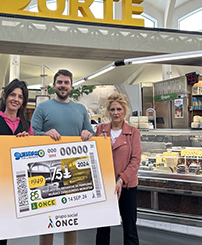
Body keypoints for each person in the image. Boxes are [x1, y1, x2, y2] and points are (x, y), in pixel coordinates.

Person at [31, 69, 94, 245]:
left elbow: (91, 132)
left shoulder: (80, 109)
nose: (63, 86)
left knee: (72, 218)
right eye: (60, 82)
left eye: (66, 82)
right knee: (48, 217)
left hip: (74, 169)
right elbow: (32, 133)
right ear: (54, 85)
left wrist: (87, 133)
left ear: (71, 86)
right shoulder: (43, 108)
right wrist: (44, 134)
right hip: (48, 169)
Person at [0, 79, 33, 245]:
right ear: (4, 96)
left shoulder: (27, 125)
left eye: (20, 96)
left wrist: (25, 144)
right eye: (12, 94)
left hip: (17, 188)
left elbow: (32, 158)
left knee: (5, 232)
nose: (16, 99)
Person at [95, 93, 141, 245]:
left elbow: (135, 160)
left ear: (125, 111)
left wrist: (121, 179)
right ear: (108, 111)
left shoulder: (133, 133)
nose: (116, 113)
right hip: (106, 186)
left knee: (129, 227)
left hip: (127, 186)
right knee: (102, 228)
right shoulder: (101, 130)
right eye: (113, 109)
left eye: (119, 109)